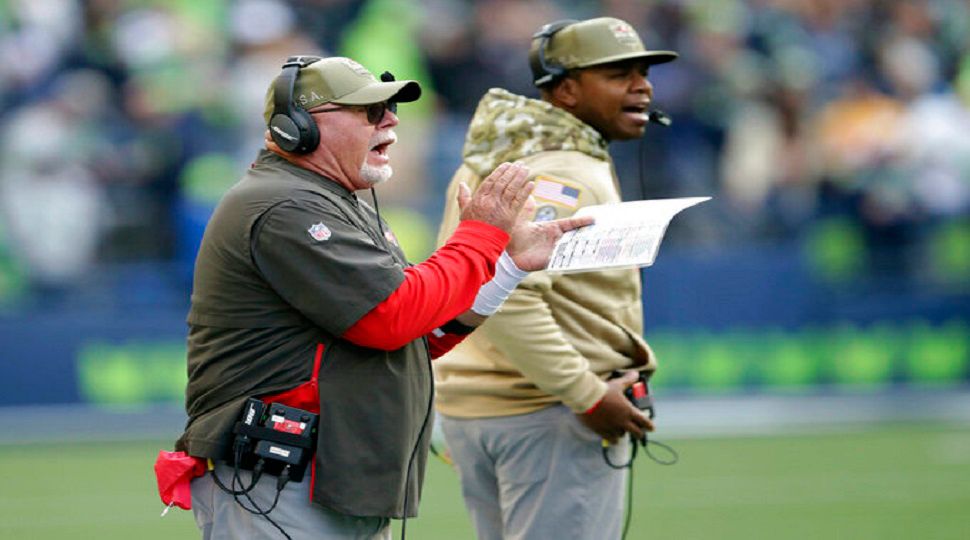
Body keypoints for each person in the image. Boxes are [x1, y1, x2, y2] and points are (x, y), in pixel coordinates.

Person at [167, 55, 590, 539]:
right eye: (370, 111)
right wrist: (479, 235)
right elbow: (390, 317)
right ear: (298, 127)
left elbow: (422, 331)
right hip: (279, 480)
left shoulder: (333, 200)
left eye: (390, 109)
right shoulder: (283, 204)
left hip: (323, 478)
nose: (390, 120)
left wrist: (509, 265)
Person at [433, 17, 679, 540]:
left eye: (643, 72)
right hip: (542, 413)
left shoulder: (498, 156)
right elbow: (509, 296)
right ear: (566, 90)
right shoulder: (561, 172)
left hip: (483, 410)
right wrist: (586, 392)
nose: (643, 86)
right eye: (618, 74)